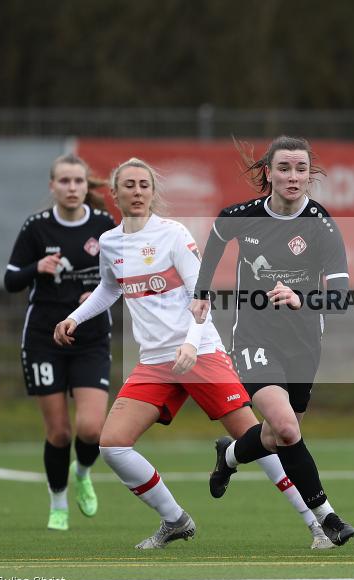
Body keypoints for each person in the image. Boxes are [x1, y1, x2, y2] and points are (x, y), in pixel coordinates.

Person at [54, 157, 334, 550]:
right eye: (129, 185)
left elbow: (201, 294)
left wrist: (190, 341)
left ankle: (316, 522)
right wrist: (75, 318)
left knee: (260, 437)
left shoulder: (172, 235)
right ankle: (175, 520)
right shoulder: (111, 243)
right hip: (155, 363)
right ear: (113, 194)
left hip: (200, 351)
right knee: (112, 444)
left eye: (144, 185)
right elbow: (109, 288)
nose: (137, 192)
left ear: (153, 193)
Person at [190, 135, 354, 546]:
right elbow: (213, 242)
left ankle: (228, 456)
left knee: (276, 433)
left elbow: (340, 299)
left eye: (302, 169)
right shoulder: (241, 216)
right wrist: (201, 291)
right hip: (253, 337)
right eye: (284, 168)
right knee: (284, 425)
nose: (293, 176)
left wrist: (303, 300)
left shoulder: (322, 227)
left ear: (310, 175)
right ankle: (328, 518)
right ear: (268, 173)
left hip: (303, 345)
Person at [4, 153, 115, 531]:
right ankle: (58, 503)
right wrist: (38, 267)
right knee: (59, 432)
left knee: (90, 430)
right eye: (64, 181)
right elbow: (10, 279)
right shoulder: (36, 228)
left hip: (90, 337)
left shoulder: (104, 225)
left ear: (87, 186)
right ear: (52, 186)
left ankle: (82, 471)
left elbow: (123, 277)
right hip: (43, 340)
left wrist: (95, 295)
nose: (71, 188)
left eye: (78, 181)